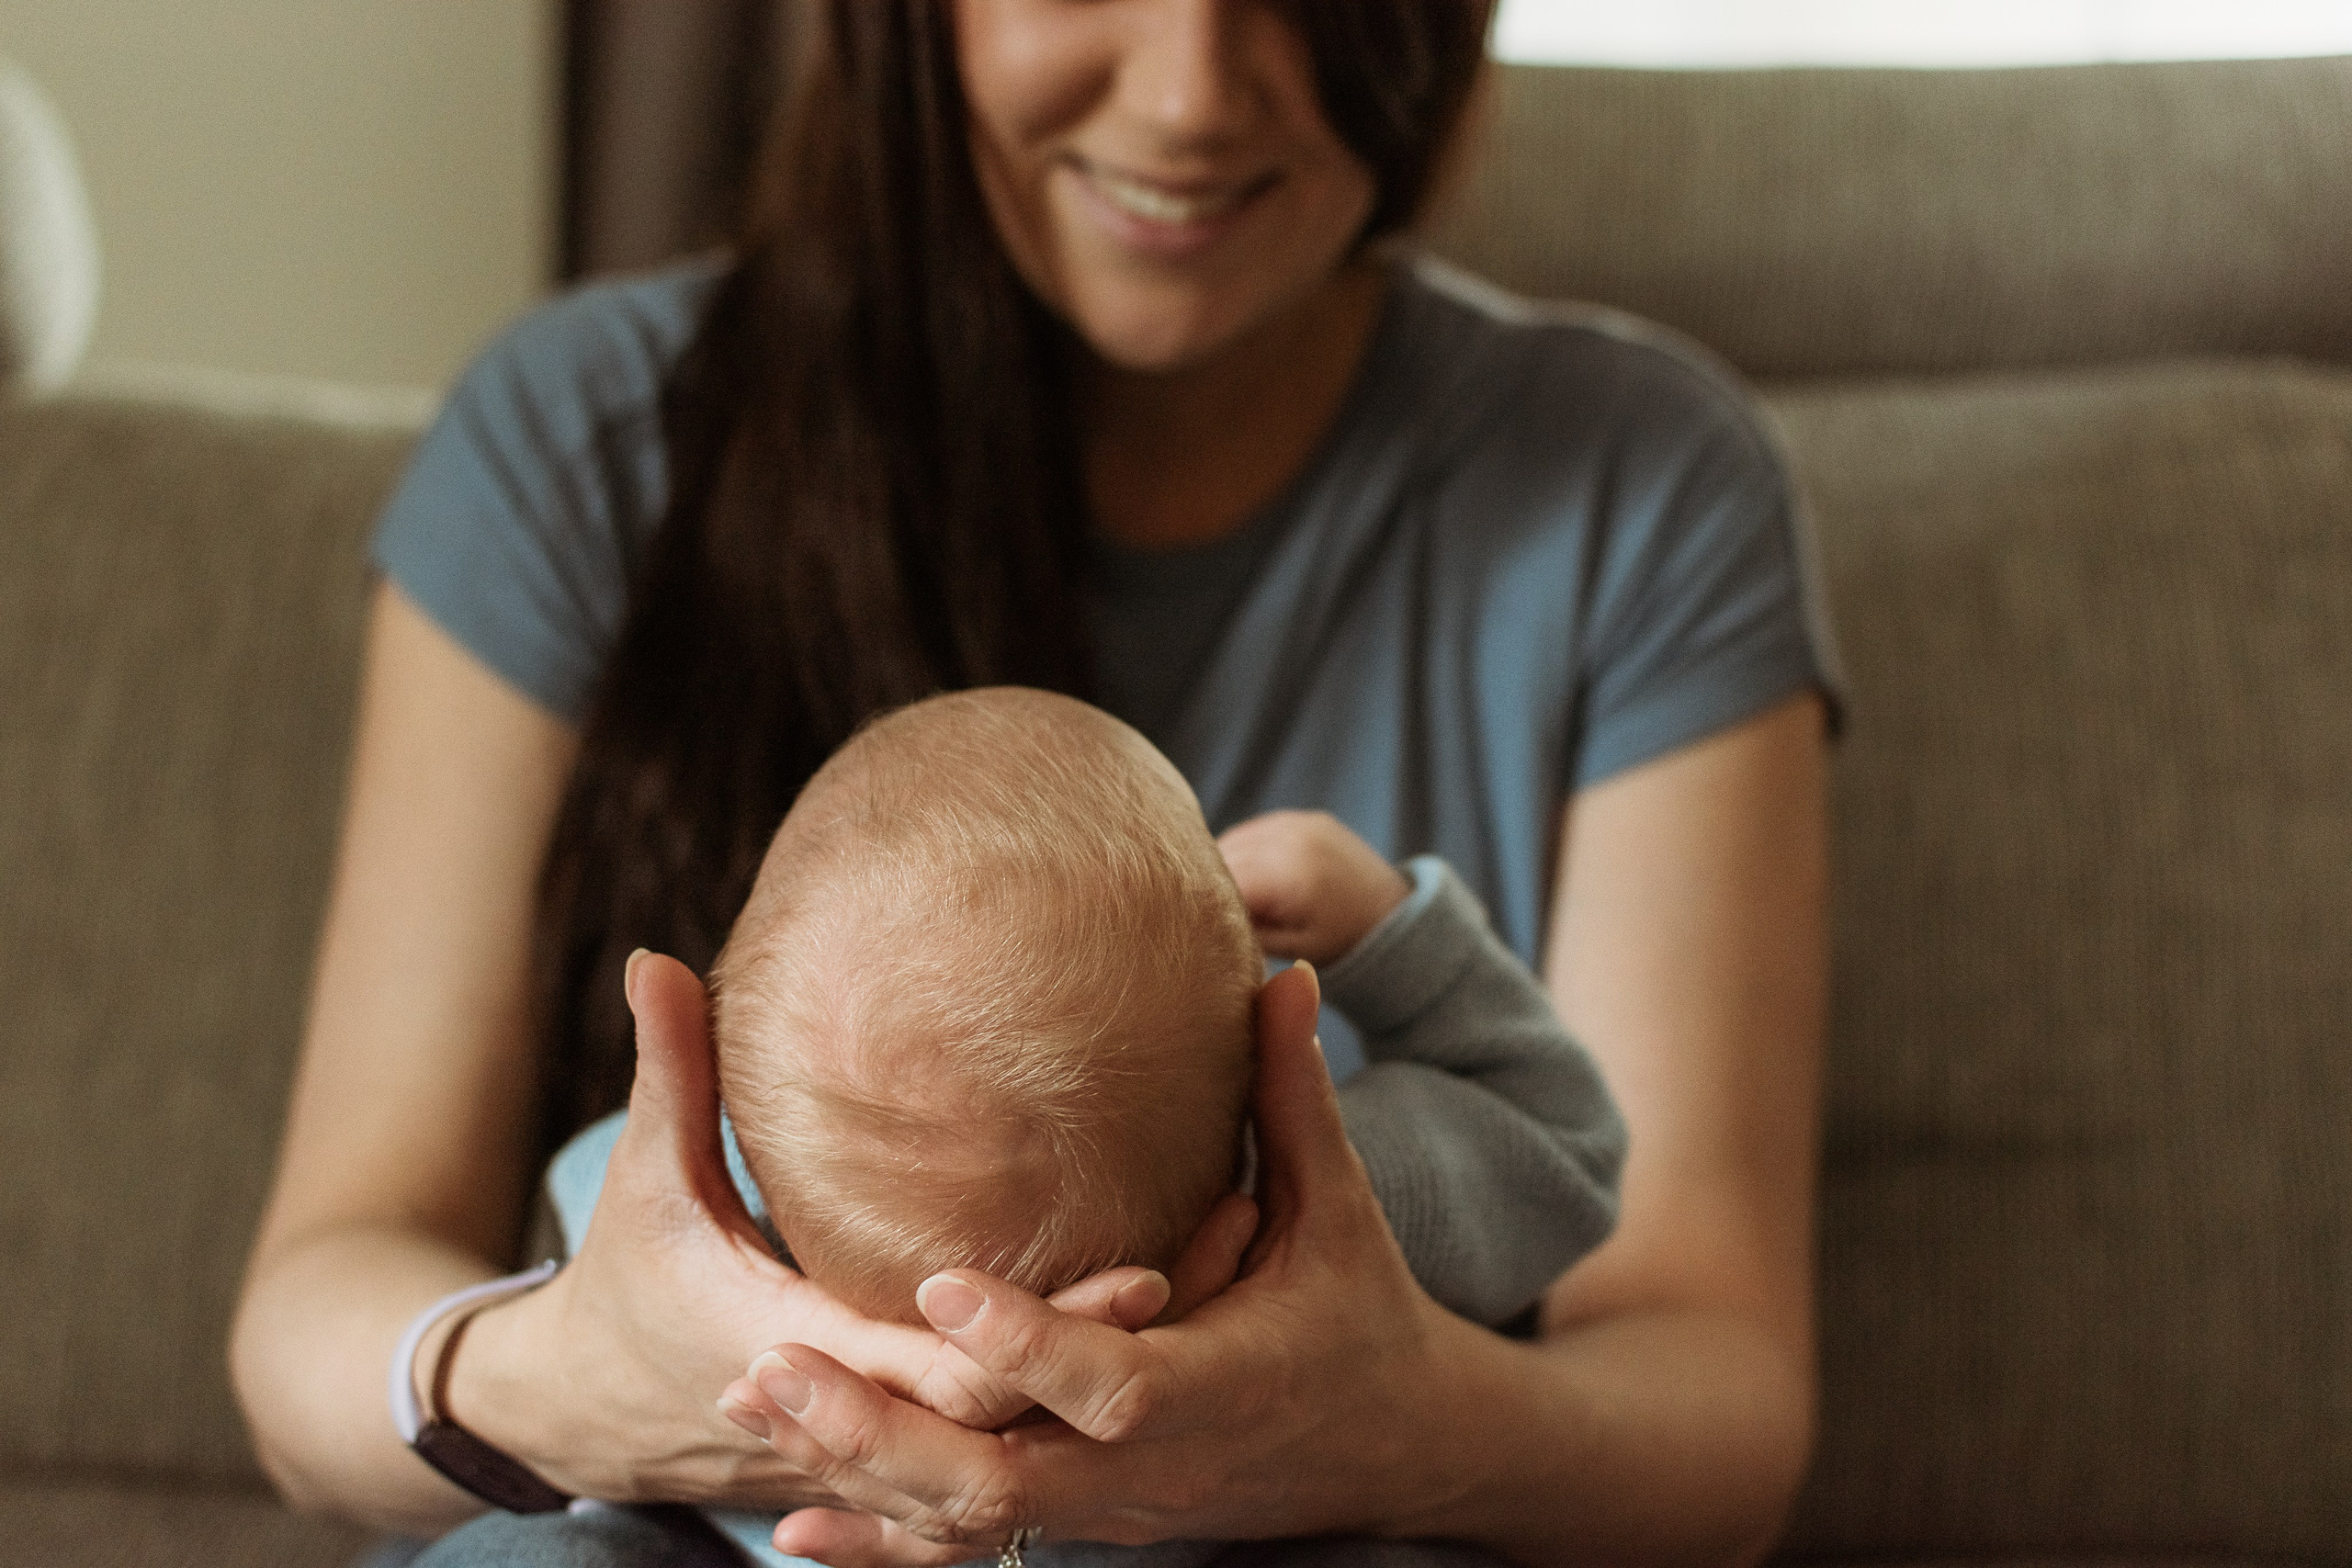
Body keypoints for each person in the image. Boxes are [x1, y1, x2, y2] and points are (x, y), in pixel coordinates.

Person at [230, 2, 1838, 1565]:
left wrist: (1394, 1433)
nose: (1193, 88)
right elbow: (317, 1334)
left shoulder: (1644, 491)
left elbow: (1714, 1406)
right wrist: (589, 1379)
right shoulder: (581, 439)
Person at [543, 685, 1626, 1565]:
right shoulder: (1345, 1214)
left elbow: (574, 1257)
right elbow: (1564, 1143)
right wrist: (1394, 933)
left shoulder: (703, 1231)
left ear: (729, 1088)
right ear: (1258, 1046)